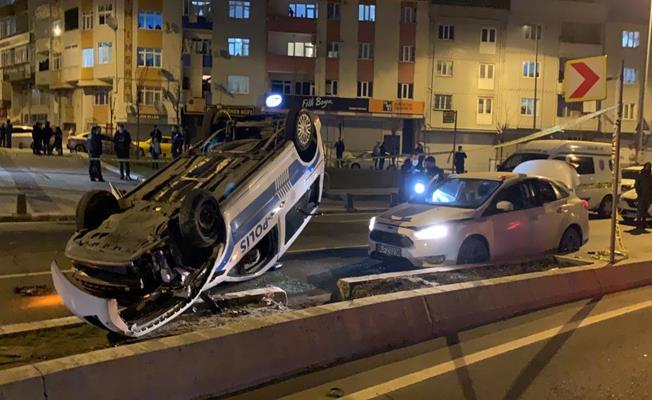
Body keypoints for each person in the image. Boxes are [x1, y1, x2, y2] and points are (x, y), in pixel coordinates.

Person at [635, 162, 652, 230]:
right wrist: (639, 192)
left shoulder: (650, 176)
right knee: (640, 209)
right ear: (644, 167)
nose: (648, 167)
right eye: (647, 166)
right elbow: (637, 184)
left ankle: (643, 222)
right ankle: (638, 222)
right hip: (642, 195)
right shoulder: (641, 175)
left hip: (648, 196)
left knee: (645, 210)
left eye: (649, 166)